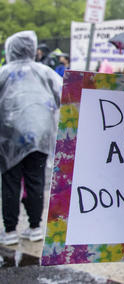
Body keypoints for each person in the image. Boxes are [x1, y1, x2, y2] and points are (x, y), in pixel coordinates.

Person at [0, 31, 62, 246]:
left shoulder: (3, 73)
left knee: (10, 182)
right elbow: (65, 94)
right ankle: (35, 227)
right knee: (36, 181)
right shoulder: (46, 72)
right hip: (41, 136)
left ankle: (10, 231)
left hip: (9, 138)